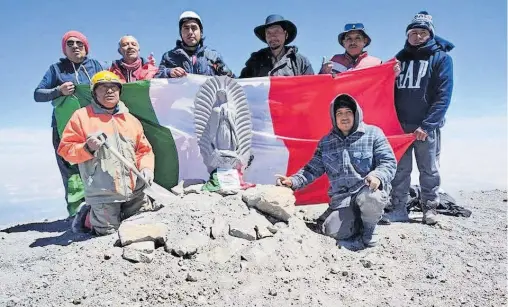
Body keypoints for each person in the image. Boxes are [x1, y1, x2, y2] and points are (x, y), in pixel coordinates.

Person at [276, 94, 397, 251]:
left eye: (348, 112)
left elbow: (389, 162)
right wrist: (292, 181)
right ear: (334, 117)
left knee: (370, 196)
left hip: (367, 192)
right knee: (331, 230)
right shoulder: (326, 142)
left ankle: (369, 231)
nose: (344, 117)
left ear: (356, 114)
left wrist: (377, 176)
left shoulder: (374, 134)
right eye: (339, 113)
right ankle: (355, 221)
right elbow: (311, 169)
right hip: (343, 200)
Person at [57, 71, 155, 235]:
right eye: (103, 87)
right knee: (107, 234)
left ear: (119, 92)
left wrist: (147, 168)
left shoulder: (130, 120)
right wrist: (87, 148)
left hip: (135, 192)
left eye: (113, 87)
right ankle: (87, 217)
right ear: (94, 92)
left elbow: (144, 150)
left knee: (141, 230)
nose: (109, 91)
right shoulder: (81, 117)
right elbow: (66, 151)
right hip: (102, 194)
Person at [385, 11, 454, 225]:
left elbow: (444, 95)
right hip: (400, 126)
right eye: (413, 32)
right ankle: (398, 208)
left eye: (422, 32)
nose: (417, 36)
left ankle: (430, 209)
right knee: (400, 170)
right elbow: (382, 87)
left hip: (426, 127)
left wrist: (428, 124)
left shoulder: (441, 58)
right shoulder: (399, 59)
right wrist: (389, 75)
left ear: (430, 34)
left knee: (429, 169)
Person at [34, 30, 104, 217]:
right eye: (70, 43)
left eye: (79, 43)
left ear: (86, 47)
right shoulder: (56, 69)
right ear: (64, 49)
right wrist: (58, 90)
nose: (75, 46)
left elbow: (112, 85)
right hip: (64, 128)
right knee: (71, 170)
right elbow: (38, 94)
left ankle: (99, 210)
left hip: (94, 126)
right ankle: (77, 214)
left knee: (99, 167)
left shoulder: (96, 65)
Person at [156, 11, 234, 78]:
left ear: (201, 32)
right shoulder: (169, 57)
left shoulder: (213, 56)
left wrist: (226, 73)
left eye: (194, 28)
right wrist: (168, 72)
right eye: (186, 28)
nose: (190, 32)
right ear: (180, 33)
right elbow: (155, 80)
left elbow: (232, 81)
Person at [239, 14, 314, 77]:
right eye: (268, 33)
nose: (272, 36)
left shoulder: (300, 62)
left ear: (286, 34)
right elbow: (240, 87)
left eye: (276, 31)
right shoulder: (255, 61)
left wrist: (323, 74)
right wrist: (229, 75)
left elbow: (311, 86)